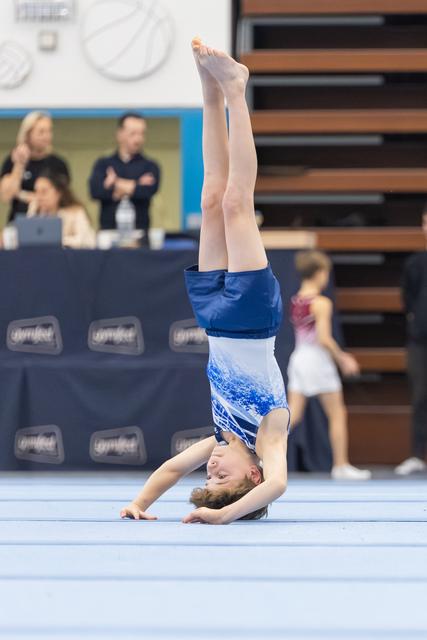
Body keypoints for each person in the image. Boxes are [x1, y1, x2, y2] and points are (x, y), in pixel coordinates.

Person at [120, 38, 289, 524]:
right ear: (249, 478)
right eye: (220, 478)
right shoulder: (268, 436)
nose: (210, 467)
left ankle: (209, 90)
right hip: (254, 318)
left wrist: (139, 504)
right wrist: (223, 515)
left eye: (207, 476)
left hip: (214, 319)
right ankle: (236, 90)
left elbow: (172, 467)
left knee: (212, 198)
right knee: (238, 204)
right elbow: (278, 483)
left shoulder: (220, 436)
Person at [287, 250, 372, 480]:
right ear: (320, 273)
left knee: (291, 416)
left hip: (298, 359)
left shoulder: (296, 299)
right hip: (316, 360)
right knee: (337, 413)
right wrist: (343, 358)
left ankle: (261, 453)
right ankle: (341, 465)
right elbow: (324, 338)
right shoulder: (321, 302)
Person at [89, 112, 160, 234]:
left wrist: (114, 184)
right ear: (120, 134)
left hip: (140, 234)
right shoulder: (104, 164)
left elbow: (147, 191)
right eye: (133, 134)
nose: (138, 139)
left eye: (142, 134)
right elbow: (95, 191)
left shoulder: (150, 166)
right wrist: (136, 184)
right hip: (108, 233)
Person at [395, 210, 427, 475]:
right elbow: (407, 301)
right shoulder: (415, 263)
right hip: (420, 341)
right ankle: (417, 455)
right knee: (420, 397)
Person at [0, 111, 69, 221]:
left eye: (49, 131)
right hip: (19, 221)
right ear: (27, 134)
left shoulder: (58, 164)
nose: (46, 136)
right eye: (41, 132)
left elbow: (64, 197)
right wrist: (19, 164)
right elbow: (6, 196)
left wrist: (25, 196)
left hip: (50, 222)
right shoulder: (12, 161)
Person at [28, 171, 95, 249]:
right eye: (36, 192)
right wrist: (32, 213)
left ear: (58, 193)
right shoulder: (36, 213)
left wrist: (60, 241)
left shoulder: (75, 212)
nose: (39, 197)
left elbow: (88, 241)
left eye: (44, 192)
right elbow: (23, 240)